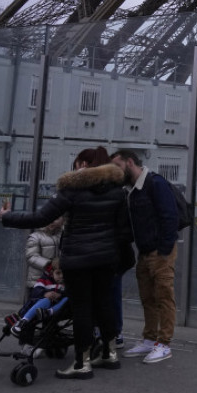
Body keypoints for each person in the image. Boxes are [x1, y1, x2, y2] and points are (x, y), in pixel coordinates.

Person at [0, 159, 130, 379]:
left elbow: (41, 217)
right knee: (104, 304)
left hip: (78, 261)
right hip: (106, 259)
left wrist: (6, 217)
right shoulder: (118, 192)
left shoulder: (72, 191)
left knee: (82, 309)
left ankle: (82, 363)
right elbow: (124, 232)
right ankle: (109, 354)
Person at [111, 149, 179, 365]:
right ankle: (150, 339)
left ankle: (164, 343)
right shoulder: (132, 190)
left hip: (159, 251)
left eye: (117, 166)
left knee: (164, 297)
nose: (116, 171)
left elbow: (170, 216)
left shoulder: (154, 183)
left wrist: (164, 250)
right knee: (148, 298)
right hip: (145, 252)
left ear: (130, 162)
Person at [73, 146, 132, 350]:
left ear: (84, 166)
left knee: (101, 295)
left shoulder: (80, 191)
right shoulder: (118, 190)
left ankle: (105, 336)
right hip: (112, 252)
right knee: (108, 293)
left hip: (99, 253)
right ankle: (112, 337)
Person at [11, 259, 68, 338]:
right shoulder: (45, 280)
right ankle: (23, 321)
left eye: (64, 273)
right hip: (43, 305)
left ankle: (48, 312)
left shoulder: (67, 283)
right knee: (46, 300)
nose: (61, 276)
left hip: (56, 309)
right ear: (52, 273)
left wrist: (60, 295)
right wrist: (45, 293)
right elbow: (35, 291)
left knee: (67, 298)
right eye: (58, 273)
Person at [24, 216, 64, 296]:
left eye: (56, 219)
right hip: (38, 279)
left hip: (59, 279)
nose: (52, 222)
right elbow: (31, 256)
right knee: (37, 304)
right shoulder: (35, 237)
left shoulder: (63, 235)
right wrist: (49, 265)